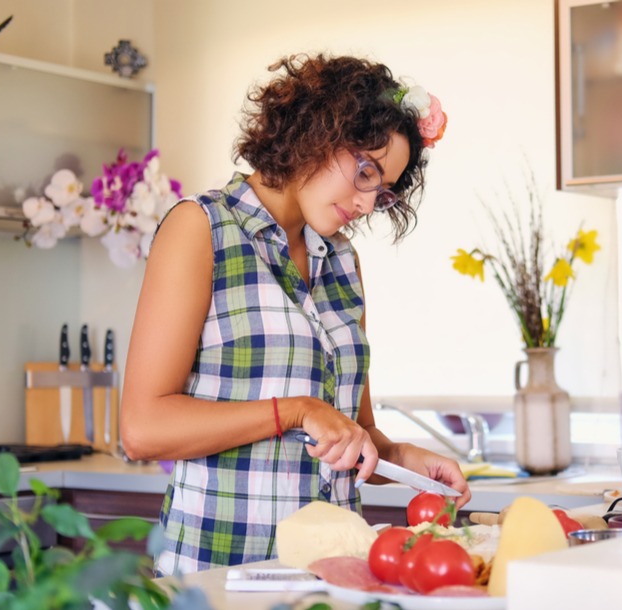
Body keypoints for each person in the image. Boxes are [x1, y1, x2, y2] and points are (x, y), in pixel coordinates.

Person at [119, 53, 467, 576]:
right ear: (315, 132)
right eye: (365, 171)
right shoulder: (203, 228)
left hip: (332, 574)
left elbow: (352, 433)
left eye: (383, 189)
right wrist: (294, 410)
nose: (369, 203)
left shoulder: (342, 261)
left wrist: (398, 458)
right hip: (217, 572)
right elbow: (142, 428)